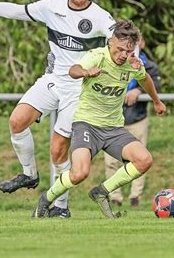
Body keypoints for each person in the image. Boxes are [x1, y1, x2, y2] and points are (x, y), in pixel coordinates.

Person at [0, 0, 115, 218]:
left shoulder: (100, 18)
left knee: (57, 150)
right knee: (17, 121)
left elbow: (122, 42)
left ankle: (61, 208)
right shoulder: (51, 7)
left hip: (80, 89)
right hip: (53, 80)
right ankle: (29, 174)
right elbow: (14, 11)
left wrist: (129, 64)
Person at [32, 20, 166, 219]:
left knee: (144, 160)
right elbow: (73, 70)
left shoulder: (132, 63)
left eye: (128, 51)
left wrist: (157, 101)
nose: (123, 55)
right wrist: (86, 72)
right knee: (79, 173)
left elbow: (145, 79)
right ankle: (46, 198)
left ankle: (101, 192)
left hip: (113, 128)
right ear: (110, 42)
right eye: (119, 49)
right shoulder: (97, 56)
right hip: (86, 124)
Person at [104, 35, 161, 208]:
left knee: (141, 159)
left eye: (135, 42)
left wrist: (138, 90)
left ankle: (135, 197)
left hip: (137, 118)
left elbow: (156, 85)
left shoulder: (148, 66)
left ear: (142, 43)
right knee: (111, 161)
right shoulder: (110, 62)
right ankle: (114, 197)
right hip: (113, 119)